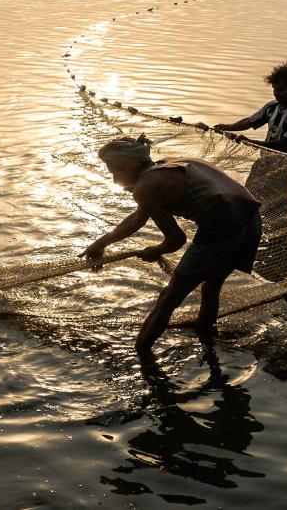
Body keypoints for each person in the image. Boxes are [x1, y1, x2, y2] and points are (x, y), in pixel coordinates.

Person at [80, 135, 262, 354]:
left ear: (133, 164)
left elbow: (177, 239)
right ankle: (207, 340)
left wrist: (156, 250)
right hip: (250, 217)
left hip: (223, 226)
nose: (114, 179)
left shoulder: (145, 187)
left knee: (168, 298)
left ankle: (141, 354)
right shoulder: (167, 165)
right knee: (211, 287)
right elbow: (138, 219)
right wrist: (101, 243)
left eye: (115, 171)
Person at [213, 60, 287, 153]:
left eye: (280, 90)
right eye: (274, 89)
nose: (275, 93)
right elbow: (249, 122)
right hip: (264, 161)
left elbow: (285, 144)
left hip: (284, 166)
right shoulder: (272, 107)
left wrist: (251, 142)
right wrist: (226, 127)